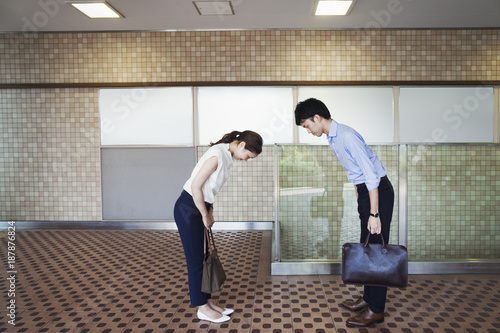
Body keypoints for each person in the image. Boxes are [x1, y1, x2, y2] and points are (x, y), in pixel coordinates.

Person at [294, 98, 395, 328]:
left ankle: (376, 310)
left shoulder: (347, 136)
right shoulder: (333, 137)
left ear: (317, 118)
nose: (308, 131)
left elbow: (371, 176)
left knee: (377, 250)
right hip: (367, 193)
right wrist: (362, 205)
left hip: (378, 192)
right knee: (367, 246)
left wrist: (374, 213)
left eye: (307, 125)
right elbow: (357, 174)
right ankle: (369, 299)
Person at [174, 130, 263, 323]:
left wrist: (209, 212)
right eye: (248, 156)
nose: (246, 160)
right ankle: (202, 308)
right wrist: (204, 215)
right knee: (196, 261)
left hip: (200, 206)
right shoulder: (217, 155)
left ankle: (208, 302)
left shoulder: (226, 154)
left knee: (204, 257)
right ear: (241, 145)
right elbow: (196, 186)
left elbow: (208, 190)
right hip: (188, 208)